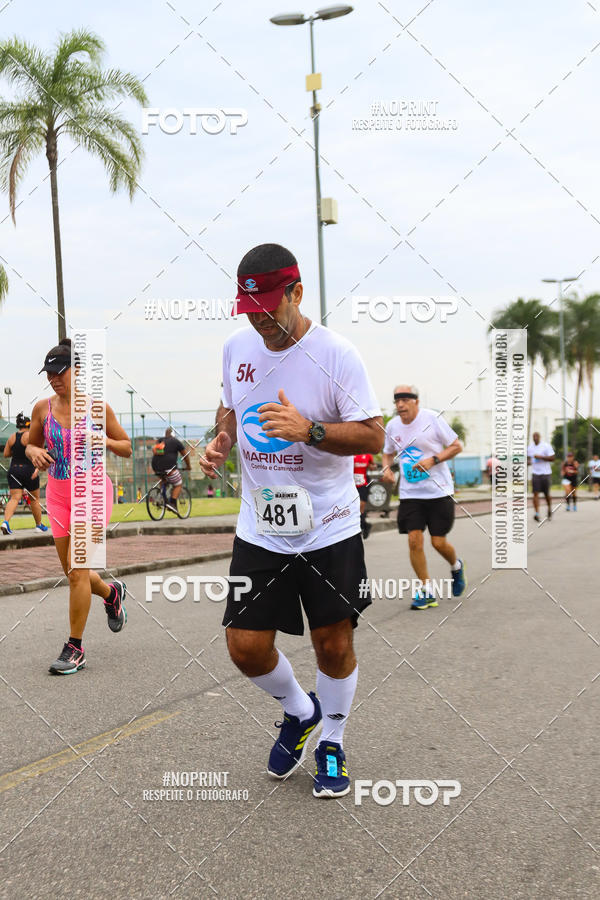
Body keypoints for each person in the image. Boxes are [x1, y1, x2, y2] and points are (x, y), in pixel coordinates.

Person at [200, 243, 382, 799]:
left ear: (297, 293)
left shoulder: (338, 354)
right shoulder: (237, 347)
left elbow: (374, 434)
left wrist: (312, 431)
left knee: (332, 642)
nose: (258, 321)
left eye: (268, 308)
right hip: (260, 525)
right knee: (245, 647)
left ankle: (333, 739)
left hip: (328, 525)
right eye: (248, 310)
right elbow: (230, 408)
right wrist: (221, 440)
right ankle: (300, 711)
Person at [26, 338, 132, 675]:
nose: (54, 378)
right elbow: (31, 443)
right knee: (75, 574)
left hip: (92, 492)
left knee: (77, 574)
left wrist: (104, 440)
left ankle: (75, 648)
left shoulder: (99, 409)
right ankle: (111, 593)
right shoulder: (42, 409)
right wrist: (34, 453)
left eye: (60, 372)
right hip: (57, 494)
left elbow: (127, 447)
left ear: (78, 371)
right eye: (50, 373)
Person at [381, 385, 466, 610]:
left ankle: (456, 566)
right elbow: (388, 452)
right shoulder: (392, 425)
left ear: (416, 401)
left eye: (405, 399)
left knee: (438, 542)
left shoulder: (432, 419)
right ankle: (426, 590)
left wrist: (433, 460)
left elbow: (457, 446)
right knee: (414, 540)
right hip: (411, 494)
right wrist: (386, 469)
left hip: (439, 491)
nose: (400, 404)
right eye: (397, 400)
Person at [2, 412, 48, 535]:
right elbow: (41, 452)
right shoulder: (30, 436)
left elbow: (6, 454)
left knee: (15, 498)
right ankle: (39, 525)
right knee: (34, 499)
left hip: (14, 469)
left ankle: (5, 522)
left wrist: (17, 452)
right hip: (28, 470)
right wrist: (37, 469)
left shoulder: (12, 437)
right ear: (29, 425)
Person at [151, 427, 191, 514]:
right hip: (169, 468)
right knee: (178, 484)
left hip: (156, 467)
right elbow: (185, 456)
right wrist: (188, 466)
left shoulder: (160, 440)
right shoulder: (176, 442)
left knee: (163, 479)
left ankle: (162, 497)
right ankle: (172, 503)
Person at [527, 432, 555, 522]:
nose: (535, 438)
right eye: (533, 437)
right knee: (535, 494)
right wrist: (528, 462)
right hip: (535, 473)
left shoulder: (546, 446)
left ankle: (549, 509)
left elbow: (552, 458)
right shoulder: (530, 447)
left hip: (546, 473)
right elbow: (529, 459)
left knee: (546, 494)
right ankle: (537, 514)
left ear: (539, 437)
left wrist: (541, 457)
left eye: (536, 436)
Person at [353, 452, 374, 538]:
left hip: (363, 483)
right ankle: (365, 525)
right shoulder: (350, 454)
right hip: (352, 484)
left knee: (361, 506)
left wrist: (372, 467)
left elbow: (372, 466)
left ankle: (360, 528)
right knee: (354, 507)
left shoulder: (368, 455)